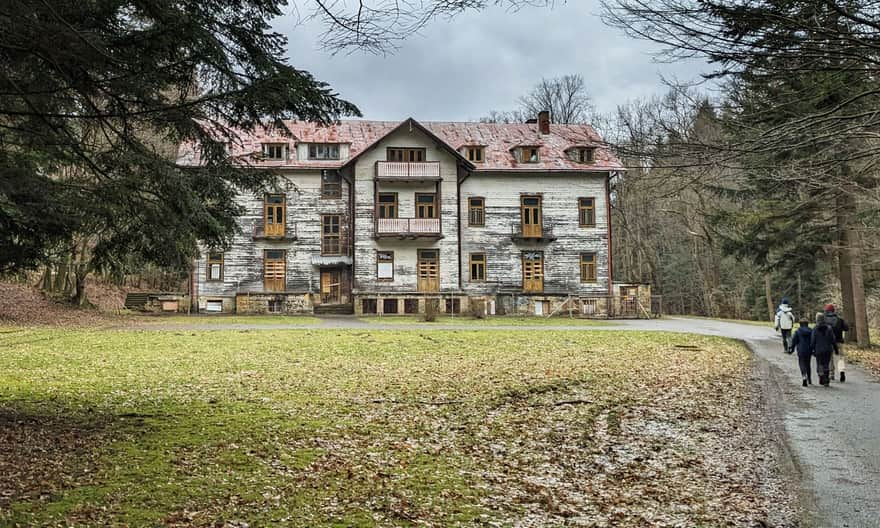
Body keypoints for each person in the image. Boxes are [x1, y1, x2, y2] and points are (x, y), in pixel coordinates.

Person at [823, 304, 849, 382]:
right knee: (840, 357)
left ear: (826, 311)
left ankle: (831, 374)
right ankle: (841, 371)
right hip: (839, 341)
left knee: (830, 358)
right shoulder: (840, 320)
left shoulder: (824, 320)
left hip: (829, 342)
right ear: (834, 311)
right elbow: (846, 328)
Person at [811, 313, 838, 387]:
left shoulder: (815, 329)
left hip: (818, 350)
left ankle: (821, 375)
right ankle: (826, 379)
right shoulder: (829, 328)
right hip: (828, 349)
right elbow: (833, 340)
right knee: (826, 364)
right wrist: (836, 349)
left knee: (819, 363)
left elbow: (813, 340)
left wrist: (812, 349)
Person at [790, 318, 813, 387]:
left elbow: (794, 341)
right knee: (808, 364)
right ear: (807, 324)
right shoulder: (811, 331)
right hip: (809, 350)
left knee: (802, 363)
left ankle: (804, 376)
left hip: (801, 350)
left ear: (800, 324)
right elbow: (813, 340)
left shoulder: (798, 331)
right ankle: (809, 378)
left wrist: (792, 349)